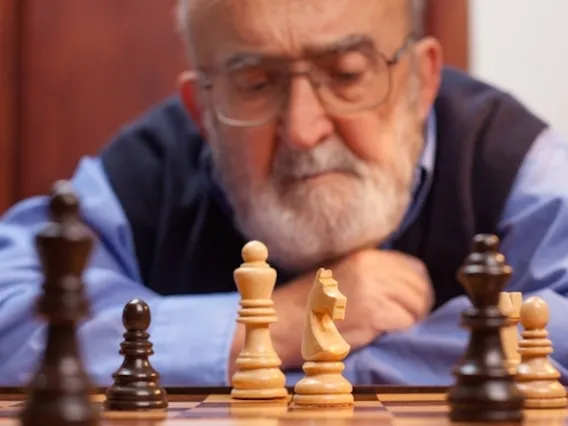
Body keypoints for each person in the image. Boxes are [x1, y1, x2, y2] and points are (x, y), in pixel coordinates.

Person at [0, 0, 567, 387]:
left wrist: (328, 365)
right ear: (201, 110)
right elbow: (12, 311)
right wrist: (268, 329)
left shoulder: (512, 159)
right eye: (255, 84)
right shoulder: (142, 173)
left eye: (347, 73)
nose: (302, 128)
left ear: (422, 79)